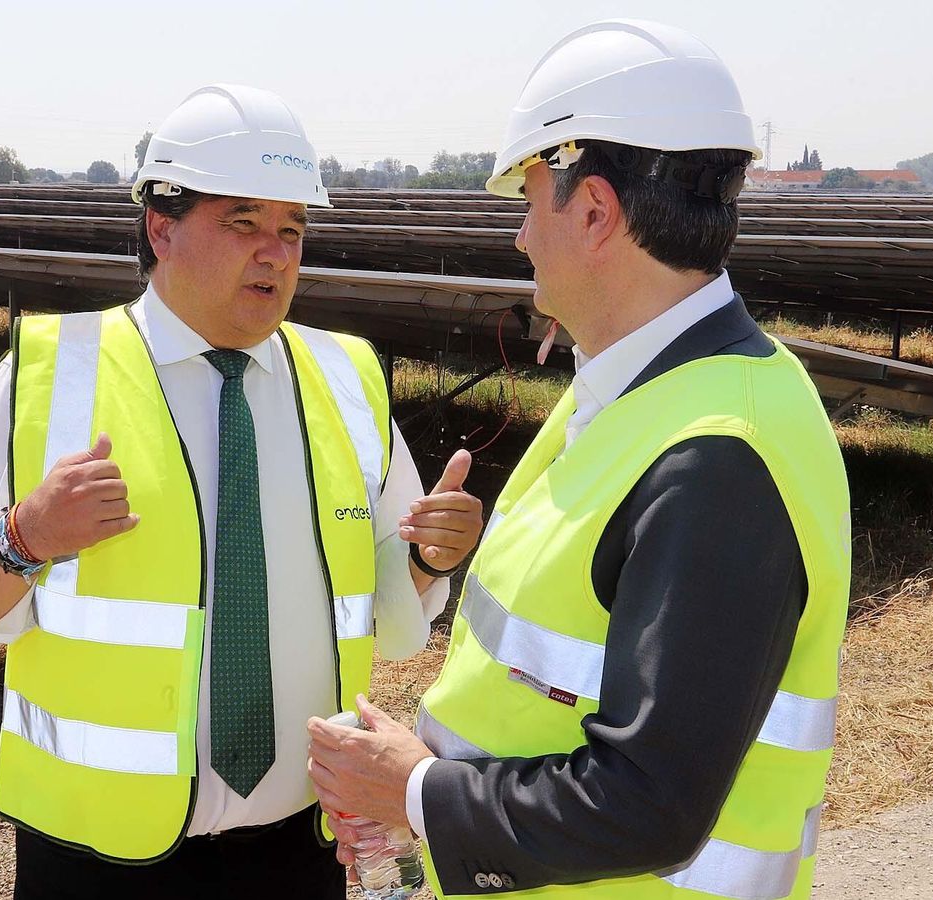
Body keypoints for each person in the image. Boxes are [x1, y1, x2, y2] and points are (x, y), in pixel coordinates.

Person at [308, 20, 851, 899]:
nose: (521, 237)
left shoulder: (718, 455)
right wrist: (418, 787)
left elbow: (648, 805)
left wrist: (415, 791)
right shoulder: (638, 392)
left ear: (594, 211)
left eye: (530, 203)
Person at [0, 83, 483, 900]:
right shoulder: (54, 374)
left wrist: (427, 560)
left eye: (292, 229)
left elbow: (386, 620)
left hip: (296, 849)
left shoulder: (347, 380)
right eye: (244, 223)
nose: (275, 253)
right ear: (161, 228)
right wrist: (23, 539)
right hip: (97, 854)